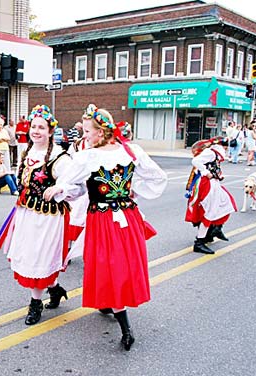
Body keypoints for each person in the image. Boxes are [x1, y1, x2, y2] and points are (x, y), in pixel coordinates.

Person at [44, 104, 167, 350]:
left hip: (103, 219)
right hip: (128, 216)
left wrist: (60, 189)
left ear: (100, 132)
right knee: (117, 265)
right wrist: (132, 189)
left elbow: (74, 186)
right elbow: (157, 177)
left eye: (87, 131)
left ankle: (125, 327)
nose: (84, 136)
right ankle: (107, 302)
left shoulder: (89, 156)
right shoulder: (131, 151)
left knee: (108, 266)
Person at [0, 105, 72, 326]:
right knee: (30, 256)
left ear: (50, 131)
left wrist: (59, 189)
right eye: (33, 126)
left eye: (41, 127)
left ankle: (35, 303)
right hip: (27, 214)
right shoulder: (27, 152)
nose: (36, 131)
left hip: (48, 218)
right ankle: (55, 289)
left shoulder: (59, 156)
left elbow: (74, 185)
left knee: (40, 257)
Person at [185, 136, 237, 254]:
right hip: (207, 184)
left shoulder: (214, 154)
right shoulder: (211, 152)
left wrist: (217, 174)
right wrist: (206, 172)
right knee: (210, 211)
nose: (226, 148)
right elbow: (196, 161)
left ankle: (215, 229)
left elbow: (212, 166)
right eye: (225, 146)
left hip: (212, 183)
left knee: (226, 202)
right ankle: (200, 241)